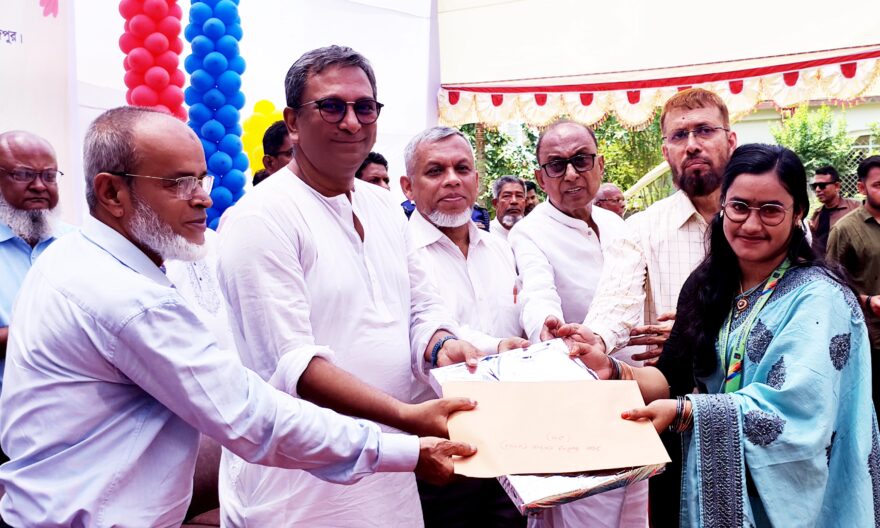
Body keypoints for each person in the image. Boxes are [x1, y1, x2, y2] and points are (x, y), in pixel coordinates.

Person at [0, 106, 471, 527]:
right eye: (179, 184)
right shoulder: (127, 295)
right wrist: (405, 444)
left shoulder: (74, 257)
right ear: (111, 193)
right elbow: (249, 414)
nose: (203, 198)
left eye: (201, 180)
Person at [215, 46, 482, 527]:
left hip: (391, 471)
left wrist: (444, 347)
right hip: (299, 486)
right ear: (293, 122)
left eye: (365, 107)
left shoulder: (382, 208)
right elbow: (294, 367)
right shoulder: (260, 217)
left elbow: (422, 309)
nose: (352, 122)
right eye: (332, 107)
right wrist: (407, 416)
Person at [560, 143, 879, 527]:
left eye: (771, 210)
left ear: (798, 213)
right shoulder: (707, 284)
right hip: (703, 485)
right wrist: (611, 368)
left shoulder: (820, 298)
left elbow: (800, 409)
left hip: (796, 498)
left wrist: (689, 412)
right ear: (723, 206)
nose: (752, 224)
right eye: (740, 207)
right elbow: (671, 378)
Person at [508, 118, 647, 527]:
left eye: (581, 160)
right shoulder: (529, 233)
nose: (571, 174)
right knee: (586, 514)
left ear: (599, 164)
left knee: (634, 513)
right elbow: (535, 291)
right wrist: (546, 327)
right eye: (557, 165)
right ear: (541, 178)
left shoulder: (616, 225)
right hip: (576, 398)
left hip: (634, 392)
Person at [613, 87, 738, 525]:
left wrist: (693, 335)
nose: (692, 144)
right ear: (666, 150)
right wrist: (592, 342)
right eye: (679, 136)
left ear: (730, 139)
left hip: (754, 411)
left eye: (704, 130)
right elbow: (615, 308)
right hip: (672, 413)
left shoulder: (763, 220)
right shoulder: (641, 229)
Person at [401, 126, 528, 527]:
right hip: (441, 448)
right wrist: (498, 348)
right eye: (435, 171)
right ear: (408, 186)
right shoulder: (397, 253)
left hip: (511, 439)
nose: (452, 179)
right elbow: (424, 327)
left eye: (462, 168)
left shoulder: (500, 248)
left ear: (476, 179)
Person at [0, 130, 70, 466]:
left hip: (77, 427)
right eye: (24, 174)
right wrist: (46, 331)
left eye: (49, 176)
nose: (40, 186)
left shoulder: (81, 245)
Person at [827, 155, 880, 404]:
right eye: (878, 185)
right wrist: (867, 301)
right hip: (870, 339)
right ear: (861, 187)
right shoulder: (845, 229)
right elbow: (830, 287)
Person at [808, 165, 860, 256]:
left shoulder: (856, 208)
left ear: (837, 186)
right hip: (822, 263)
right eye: (814, 186)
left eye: (822, 185)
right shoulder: (817, 214)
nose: (817, 189)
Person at [489, 175, 527, 239]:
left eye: (519, 196)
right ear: (495, 203)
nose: (514, 201)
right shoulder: (484, 235)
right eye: (507, 196)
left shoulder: (533, 232)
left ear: (525, 203)